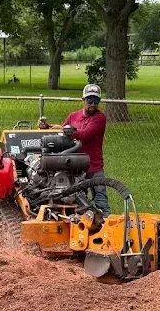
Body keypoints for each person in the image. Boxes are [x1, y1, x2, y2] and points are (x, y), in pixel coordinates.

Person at [38, 83, 110, 217]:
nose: (93, 104)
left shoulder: (100, 118)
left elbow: (85, 135)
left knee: (101, 201)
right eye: (90, 100)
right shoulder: (73, 116)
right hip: (74, 167)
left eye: (96, 100)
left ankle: (106, 226)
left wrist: (64, 130)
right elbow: (62, 135)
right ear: (83, 100)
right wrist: (48, 127)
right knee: (74, 202)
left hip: (93, 167)